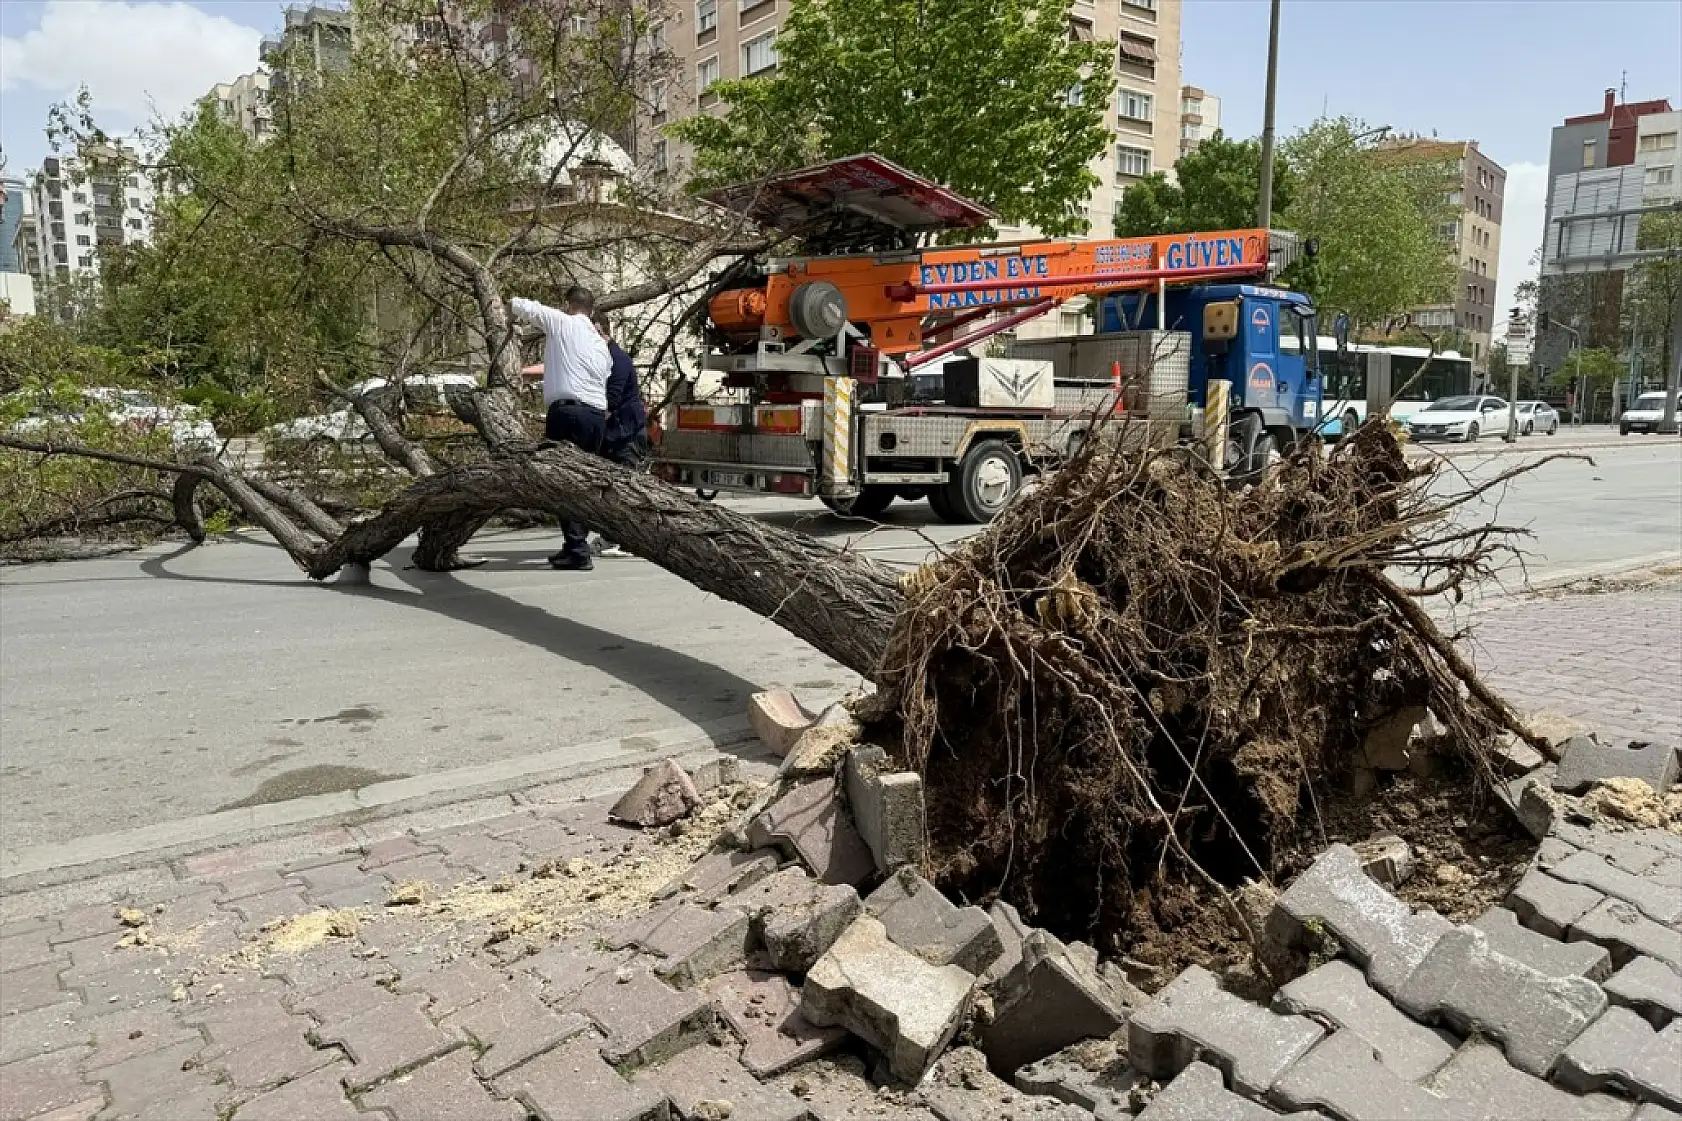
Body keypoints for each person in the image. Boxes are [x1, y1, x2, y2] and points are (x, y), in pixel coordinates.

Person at [510, 285, 611, 571]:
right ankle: (573, 544)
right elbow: (595, 373)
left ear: (568, 305)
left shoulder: (562, 322)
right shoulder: (599, 343)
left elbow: (525, 305)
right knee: (583, 482)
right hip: (595, 417)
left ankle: (578, 551)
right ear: (592, 311)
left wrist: (506, 308)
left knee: (562, 482)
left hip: (568, 414)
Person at [590, 312, 650, 558]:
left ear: (603, 332)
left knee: (625, 488)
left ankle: (624, 539)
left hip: (627, 433)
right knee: (612, 488)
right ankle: (614, 536)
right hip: (615, 433)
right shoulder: (603, 357)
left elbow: (610, 400)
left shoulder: (618, 360)